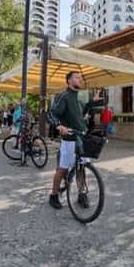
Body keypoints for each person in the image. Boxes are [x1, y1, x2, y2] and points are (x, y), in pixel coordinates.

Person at [47, 71, 104, 209]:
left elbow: (81, 113)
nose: (80, 80)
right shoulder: (63, 96)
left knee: (81, 168)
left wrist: (91, 102)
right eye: (77, 77)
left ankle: (81, 194)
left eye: (81, 78)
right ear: (69, 80)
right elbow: (52, 114)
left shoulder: (79, 98)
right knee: (63, 169)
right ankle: (53, 195)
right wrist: (59, 125)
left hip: (82, 138)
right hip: (69, 139)